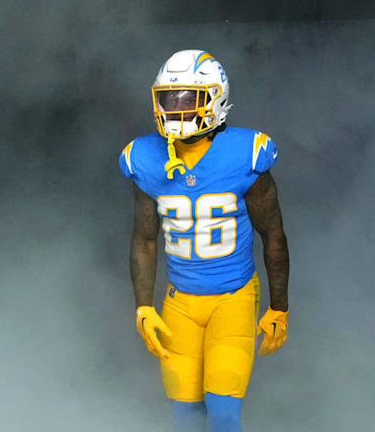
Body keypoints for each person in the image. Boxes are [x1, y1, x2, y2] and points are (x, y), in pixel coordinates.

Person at [118, 49, 289, 432]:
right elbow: (145, 239)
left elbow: (272, 234)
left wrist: (280, 306)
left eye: (187, 99)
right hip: (180, 302)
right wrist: (142, 306)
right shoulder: (145, 158)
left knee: (224, 410)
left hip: (233, 297)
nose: (175, 109)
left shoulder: (245, 154)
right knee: (185, 414)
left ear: (216, 98)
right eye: (168, 99)